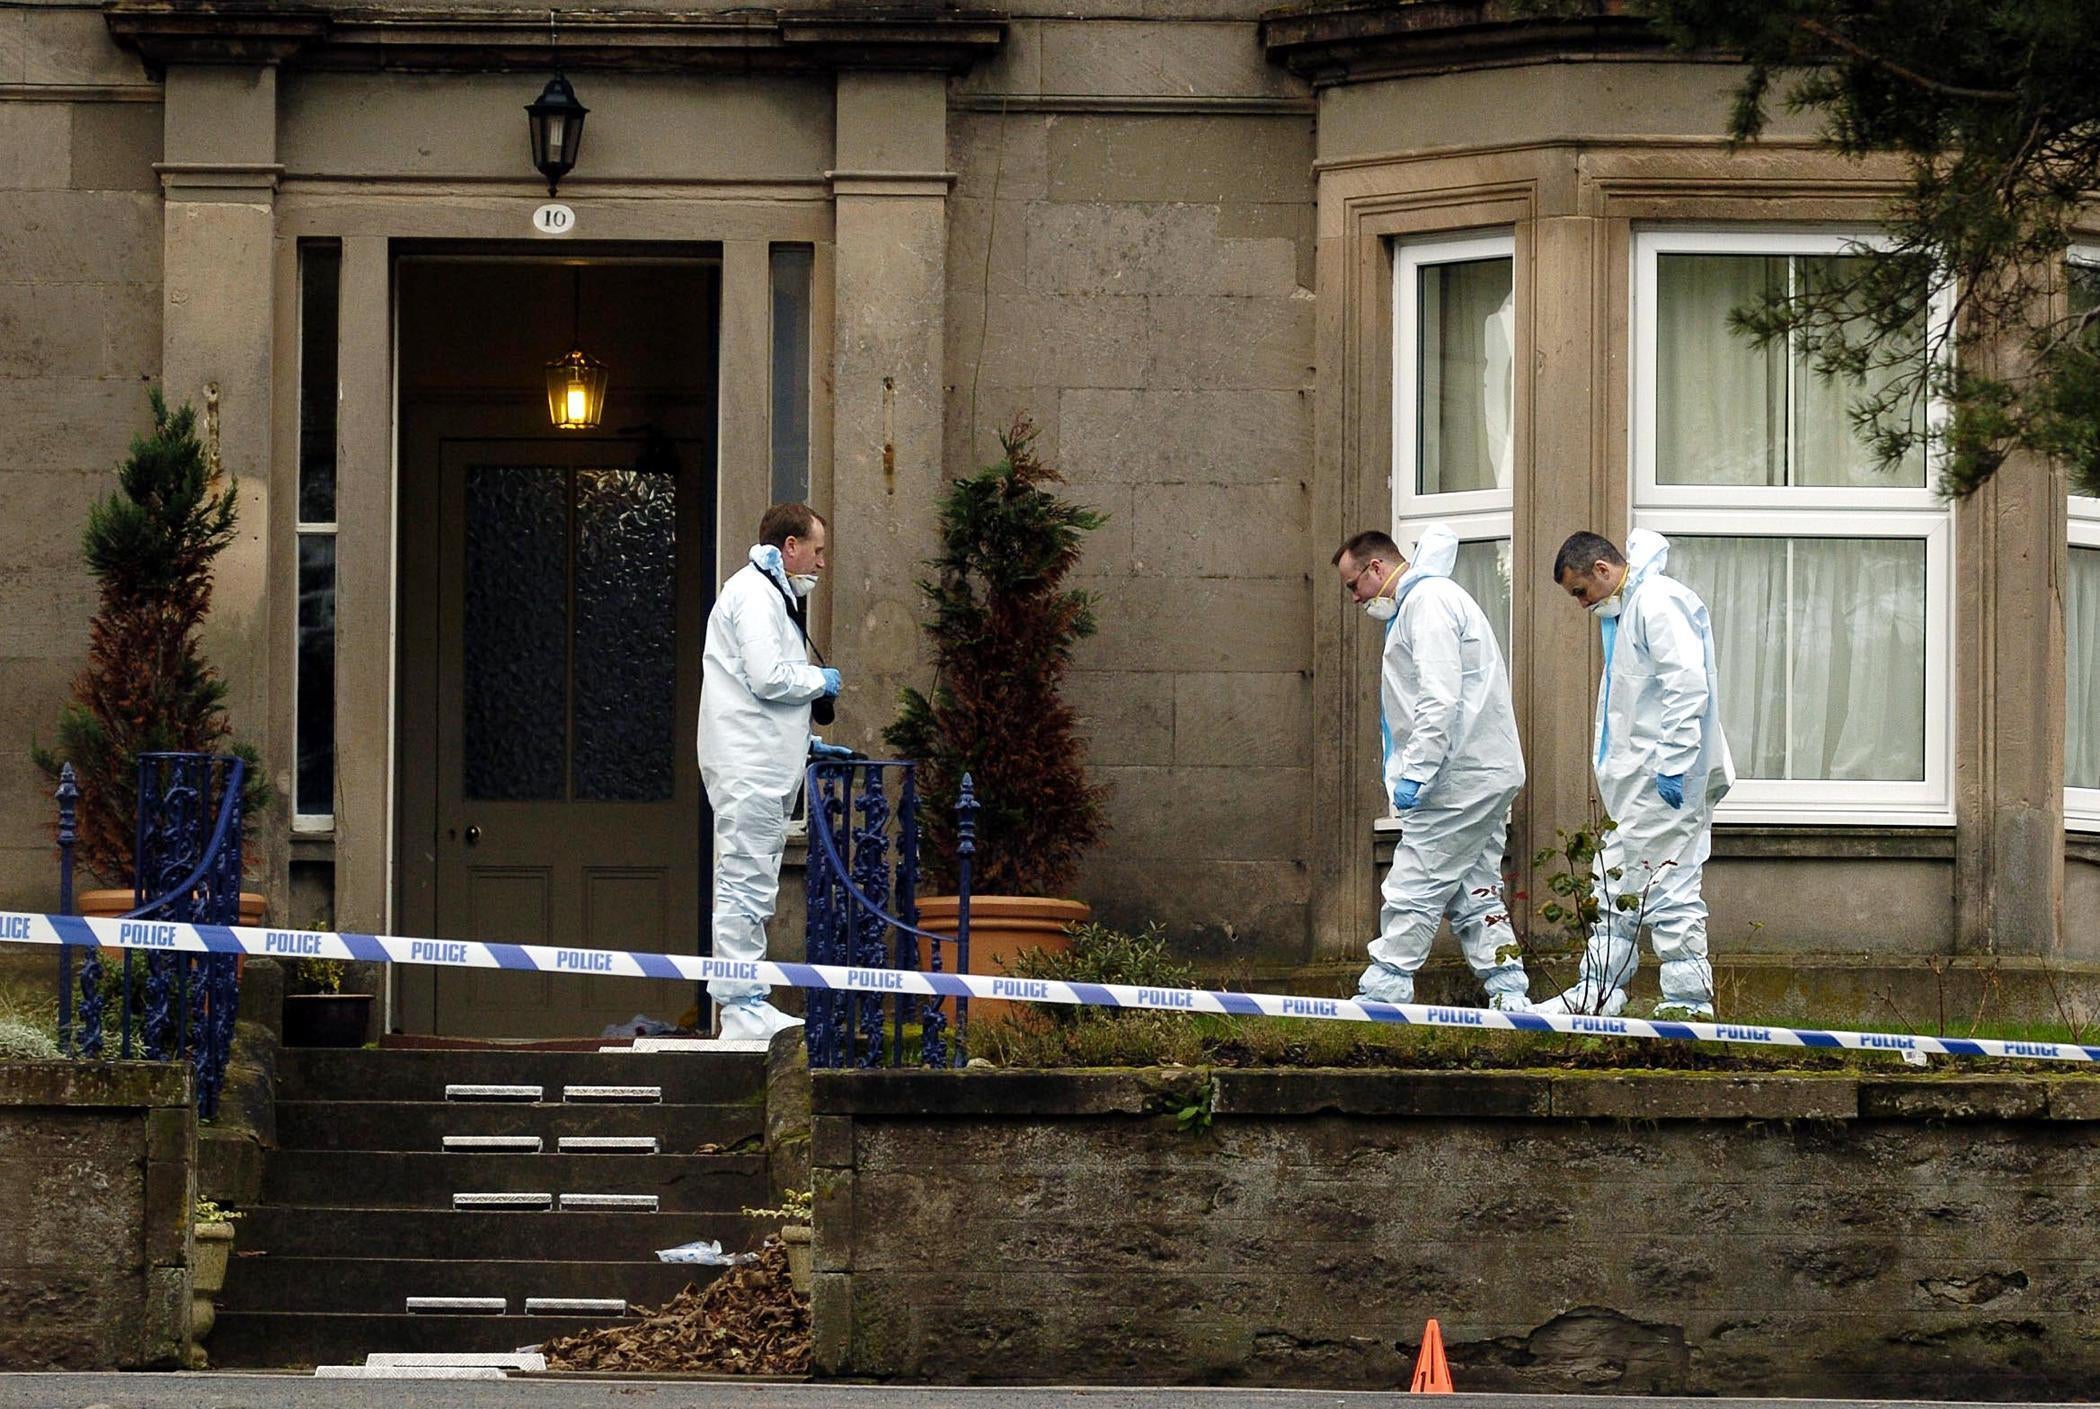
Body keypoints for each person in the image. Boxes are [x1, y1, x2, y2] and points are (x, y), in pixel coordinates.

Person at [1539, 528, 1734, 1020]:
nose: (1582, 604)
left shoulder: (1657, 603)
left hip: (1664, 780)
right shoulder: (1633, 611)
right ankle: (1598, 993)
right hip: (1642, 784)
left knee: (1666, 889)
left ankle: (1688, 1007)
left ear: (1602, 571)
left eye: (1581, 591)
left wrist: (1672, 764)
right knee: (1616, 886)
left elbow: (1686, 687)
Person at [1335, 524, 1531, 1012]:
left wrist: (1417, 772)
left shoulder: (1427, 605)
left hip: (1455, 777)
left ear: (1377, 568)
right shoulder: (1432, 602)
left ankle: (1384, 989)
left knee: (1414, 882)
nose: (1356, 599)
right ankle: (1510, 993)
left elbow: (1438, 698)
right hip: (1478, 770)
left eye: (1354, 585)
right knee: (1475, 888)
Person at [697, 502, 852, 1041]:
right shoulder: (757, 596)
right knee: (744, 885)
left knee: (752, 885)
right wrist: (819, 682)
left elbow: (749, 694)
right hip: (750, 769)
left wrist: (806, 743)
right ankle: (741, 1009)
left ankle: (745, 1003)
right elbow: (766, 678)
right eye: (817, 549)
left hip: (757, 762)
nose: (822, 562)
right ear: (790, 546)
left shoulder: (763, 594)